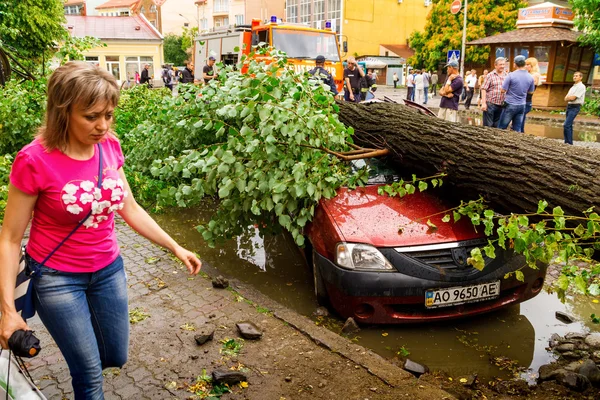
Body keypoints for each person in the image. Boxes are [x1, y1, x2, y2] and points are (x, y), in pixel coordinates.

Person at [0, 62, 202, 399]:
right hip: (57, 279)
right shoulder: (34, 160)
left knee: (115, 355)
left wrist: (175, 246)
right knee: (89, 373)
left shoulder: (109, 146)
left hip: (109, 270)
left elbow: (130, 207)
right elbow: (9, 238)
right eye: (92, 116)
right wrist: (7, 312)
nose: (102, 125)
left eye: (108, 115)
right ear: (63, 112)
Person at [497, 55, 534, 132]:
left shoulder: (511, 75)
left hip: (510, 104)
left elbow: (503, 90)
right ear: (524, 64)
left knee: (502, 128)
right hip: (522, 105)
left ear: (515, 64)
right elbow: (531, 91)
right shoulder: (530, 77)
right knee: (517, 128)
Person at [480, 57, 507, 127]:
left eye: (503, 64)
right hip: (490, 104)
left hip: (501, 105)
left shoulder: (507, 75)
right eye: (500, 64)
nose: (502, 66)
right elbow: (483, 89)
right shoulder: (490, 75)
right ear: (495, 65)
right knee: (488, 126)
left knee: (497, 126)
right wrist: (483, 103)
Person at [563, 71, 586, 145]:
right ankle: (567, 142)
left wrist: (569, 98)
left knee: (566, 124)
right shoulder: (573, 87)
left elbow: (573, 98)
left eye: (576, 76)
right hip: (569, 106)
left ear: (581, 77)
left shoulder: (581, 87)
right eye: (574, 76)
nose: (574, 77)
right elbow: (565, 98)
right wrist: (569, 98)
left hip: (575, 107)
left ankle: (569, 143)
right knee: (568, 125)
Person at [520, 57, 542, 133]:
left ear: (532, 66)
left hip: (526, 100)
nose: (525, 66)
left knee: (520, 119)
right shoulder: (528, 74)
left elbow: (530, 89)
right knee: (520, 118)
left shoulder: (534, 75)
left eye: (527, 64)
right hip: (523, 100)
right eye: (525, 64)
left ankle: (521, 133)